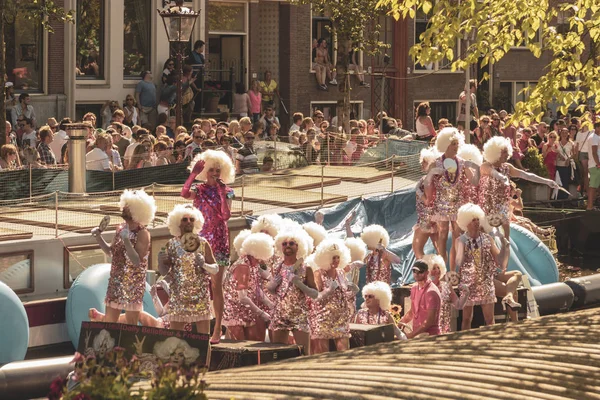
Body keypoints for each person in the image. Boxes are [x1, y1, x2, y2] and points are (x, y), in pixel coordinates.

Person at [181, 149, 236, 344]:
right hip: (201, 240)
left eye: (218, 170)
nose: (215, 173)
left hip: (219, 240)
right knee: (196, 283)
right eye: (211, 169)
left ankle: (217, 327)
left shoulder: (228, 191)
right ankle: (194, 327)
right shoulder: (200, 189)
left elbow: (226, 216)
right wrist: (194, 173)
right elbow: (184, 193)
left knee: (216, 285)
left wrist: (221, 193)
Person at [91, 189, 156, 324]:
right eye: (125, 205)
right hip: (116, 281)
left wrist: (126, 241)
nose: (124, 209)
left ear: (137, 211)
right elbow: (110, 252)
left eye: (128, 207)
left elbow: (137, 260)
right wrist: (98, 237)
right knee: (109, 322)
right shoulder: (120, 228)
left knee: (131, 324)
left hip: (133, 284)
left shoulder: (143, 233)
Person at [480, 136, 560, 240]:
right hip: (489, 208)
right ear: (495, 152)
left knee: (506, 238)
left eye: (506, 151)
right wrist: (501, 177)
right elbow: (493, 173)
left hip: (504, 209)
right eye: (503, 152)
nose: (506, 154)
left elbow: (527, 175)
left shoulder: (507, 167)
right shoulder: (485, 166)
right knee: (496, 235)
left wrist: (547, 181)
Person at [158, 204, 219, 334]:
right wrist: (161, 261)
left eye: (191, 219)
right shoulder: (171, 244)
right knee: (175, 339)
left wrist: (204, 264)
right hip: (178, 299)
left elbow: (215, 269)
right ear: (177, 223)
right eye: (184, 219)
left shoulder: (202, 243)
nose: (189, 222)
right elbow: (164, 272)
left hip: (200, 299)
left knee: (204, 340)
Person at [455, 203, 509, 330]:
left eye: (478, 219)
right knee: (467, 318)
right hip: (468, 283)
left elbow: (499, 261)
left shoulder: (487, 238)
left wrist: (504, 245)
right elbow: (459, 262)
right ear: (466, 222)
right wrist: (462, 245)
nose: (476, 222)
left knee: (490, 318)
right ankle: (465, 343)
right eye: (473, 220)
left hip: (485, 282)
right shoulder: (460, 240)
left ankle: (492, 343)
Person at [268, 228, 317, 355]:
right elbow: (277, 293)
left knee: (304, 353)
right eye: (284, 244)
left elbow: (315, 294)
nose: (287, 246)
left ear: (298, 246)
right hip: (280, 314)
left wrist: (300, 284)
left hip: (299, 315)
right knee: (278, 354)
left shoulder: (306, 268)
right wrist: (271, 287)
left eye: (291, 243)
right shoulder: (276, 267)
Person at [309, 238, 359, 354]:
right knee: (322, 354)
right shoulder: (318, 273)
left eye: (338, 257)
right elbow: (315, 297)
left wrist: (353, 291)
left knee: (344, 352)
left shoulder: (341, 273)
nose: (336, 260)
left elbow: (344, 295)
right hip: (323, 317)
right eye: (333, 257)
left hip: (341, 317)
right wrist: (328, 290)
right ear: (325, 258)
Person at [223, 232, 274, 341]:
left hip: (248, 314)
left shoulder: (253, 265)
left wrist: (270, 304)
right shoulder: (243, 266)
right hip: (236, 316)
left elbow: (256, 289)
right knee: (238, 351)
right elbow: (242, 297)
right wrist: (261, 313)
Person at [423, 254, 469, 334]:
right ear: (428, 272)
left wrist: (466, 293)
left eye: (438, 268)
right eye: (434, 268)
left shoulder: (446, 286)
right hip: (429, 331)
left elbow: (459, 305)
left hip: (445, 331)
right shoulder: (424, 288)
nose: (437, 270)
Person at [399, 260, 441, 338]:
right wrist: (399, 324)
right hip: (417, 336)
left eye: (420, 271)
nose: (417, 274)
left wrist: (411, 335)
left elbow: (429, 321)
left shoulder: (431, 292)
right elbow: (412, 312)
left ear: (427, 272)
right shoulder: (414, 288)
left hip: (430, 336)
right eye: (414, 271)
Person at [412, 147, 440, 259]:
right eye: (422, 161)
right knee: (440, 250)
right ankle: (440, 272)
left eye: (424, 161)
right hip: (434, 218)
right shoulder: (435, 178)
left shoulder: (429, 178)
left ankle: (427, 272)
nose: (421, 164)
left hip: (426, 218)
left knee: (417, 248)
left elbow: (428, 201)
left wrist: (418, 191)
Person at [586, 122, 600, 210]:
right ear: (597, 127)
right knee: (593, 186)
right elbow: (594, 152)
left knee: (595, 186)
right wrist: (598, 164)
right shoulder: (593, 137)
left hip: (596, 164)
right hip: (595, 165)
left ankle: (591, 206)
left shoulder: (596, 137)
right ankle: (589, 206)